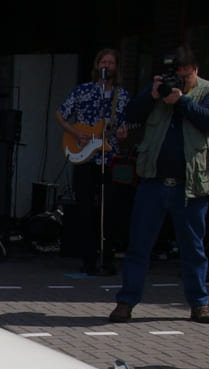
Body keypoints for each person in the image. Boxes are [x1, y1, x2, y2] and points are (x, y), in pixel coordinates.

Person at [109, 44, 209, 324]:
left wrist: (182, 100)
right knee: (139, 245)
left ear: (195, 71)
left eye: (185, 78)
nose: (179, 83)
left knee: (193, 249)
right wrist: (152, 95)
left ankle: (200, 304)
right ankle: (126, 301)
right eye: (175, 77)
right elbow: (131, 116)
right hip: (153, 182)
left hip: (191, 186)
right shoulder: (157, 92)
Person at [55, 48, 131, 275]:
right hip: (84, 156)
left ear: (116, 67)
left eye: (111, 62)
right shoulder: (83, 91)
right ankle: (88, 259)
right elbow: (60, 113)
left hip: (109, 158)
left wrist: (124, 133)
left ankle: (107, 259)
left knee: (109, 210)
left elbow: (125, 126)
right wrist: (75, 133)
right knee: (85, 209)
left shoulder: (122, 96)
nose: (107, 65)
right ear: (97, 66)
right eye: (103, 62)